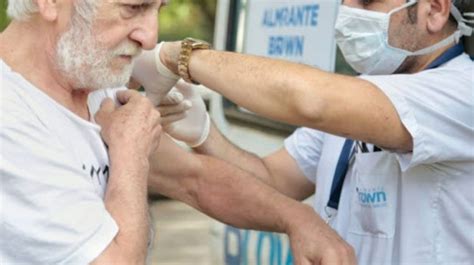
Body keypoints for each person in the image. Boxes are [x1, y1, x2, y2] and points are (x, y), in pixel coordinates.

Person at [0, 1, 356, 264]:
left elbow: (193, 178)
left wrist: (297, 218)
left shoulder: (86, 79)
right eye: (132, 8)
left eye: (158, 8)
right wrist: (131, 153)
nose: (150, 37)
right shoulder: (10, 117)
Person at [145, 0, 474, 264]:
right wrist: (203, 133)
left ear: (434, 10)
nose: (348, 14)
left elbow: (311, 102)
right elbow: (273, 180)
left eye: (367, 2)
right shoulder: (363, 94)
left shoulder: (463, 91)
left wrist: (178, 57)